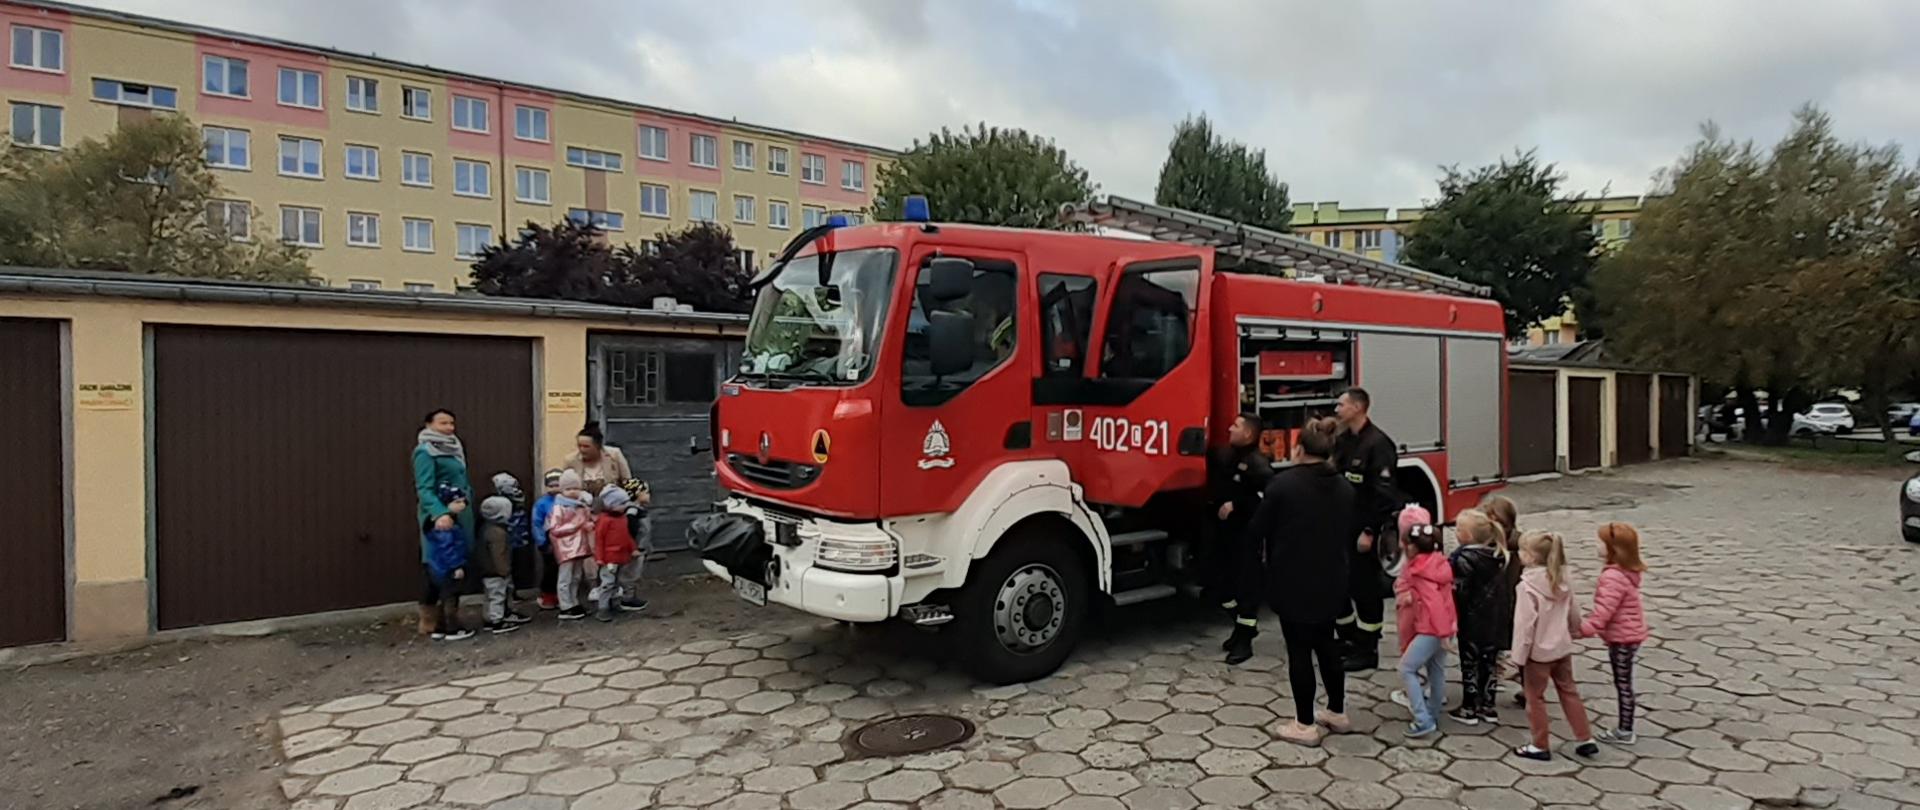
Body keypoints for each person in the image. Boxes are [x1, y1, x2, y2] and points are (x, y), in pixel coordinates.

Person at [1244, 417, 1355, 745]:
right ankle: (1337, 712)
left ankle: (1304, 724)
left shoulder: (1284, 486)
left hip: (1294, 578)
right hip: (1333, 577)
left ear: (1299, 449)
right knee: (1328, 644)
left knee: (1299, 650)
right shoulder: (1345, 487)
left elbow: (1256, 531)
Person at [1507, 530, 1599, 761]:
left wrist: (1518, 656)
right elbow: (1574, 611)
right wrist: (1575, 630)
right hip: (1562, 648)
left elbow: (1524, 625)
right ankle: (1585, 737)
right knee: (1569, 691)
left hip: (1538, 653)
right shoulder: (1562, 579)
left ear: (1529, 556)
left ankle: (1540, 744)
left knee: (1535, 697)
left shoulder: (1527, 586)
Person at [1332, 386, 1400, 672]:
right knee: (1342, 583)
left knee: (1365, 587)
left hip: (1363, 529)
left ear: (1358, 408)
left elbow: (1383, 495)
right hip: (1342, 525)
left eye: (1341, 404)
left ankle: (1368, 647)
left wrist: (1370, 532)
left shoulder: (1378, 444)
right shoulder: (1344, 440)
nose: (1336, 409)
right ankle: (1349, 639)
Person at [1578, 522, 1650, 746]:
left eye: (1601, 542)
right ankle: (1625, 727)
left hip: (1623, 636)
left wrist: (1581, 630)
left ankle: (1625, 730)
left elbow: (1603, 613)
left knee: (1623, 683)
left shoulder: (1612, 577)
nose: (1596, 545)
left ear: (1613, 548)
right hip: (1629, 633)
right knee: (1624, 681)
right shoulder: (1625, 572)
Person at [1212, 412, 1274, 664]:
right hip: (1229, 534)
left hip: (1248, 535)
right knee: (1223, 585)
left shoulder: (1258, 465)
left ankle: (1245, 640)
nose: (1229, 428)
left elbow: (1265, 501)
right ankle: (1240, 629)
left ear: (1248, 433)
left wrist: (1237, 506)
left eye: (1235, 426)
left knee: (1247, 588)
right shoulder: (1231, 457)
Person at [1394, 506, 1454, 738]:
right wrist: (1450, 629)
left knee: (1407, 668)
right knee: (1437, 671)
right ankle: (1434, 712)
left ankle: (1422, 718)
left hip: (1430, 629)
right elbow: (1446, 601)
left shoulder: (1419, 572)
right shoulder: (1439, 563)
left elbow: (1434, 604)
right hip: (1444, 627)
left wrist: (1441, 633)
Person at [413, 408, 473, 639]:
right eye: (443, 423)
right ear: (429, 425)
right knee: (439, 567)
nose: (449, 428)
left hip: (459, 513)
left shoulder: (453, 447)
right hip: (439, 518)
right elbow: (424, 489)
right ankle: (437, 622)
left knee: (454, 563)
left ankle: (443, 621)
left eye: (451, 423)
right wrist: (440, 513)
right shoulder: (425, 451)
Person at [1449, 509, 1508, 725]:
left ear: (1469, 536)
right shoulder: (1497, 555)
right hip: (1495, 619)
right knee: (1489, 662)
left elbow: (1461, 592)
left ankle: (1469, 706)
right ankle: (1488, 706)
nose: (1455, 532)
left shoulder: (1464, 558)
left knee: (1469, 662)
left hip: (1472, 620)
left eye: (1459, 529)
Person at [1483, 494, 1525, 706]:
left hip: (1502, 606)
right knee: (1521, 649)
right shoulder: (1522, 543)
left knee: (1491, 649)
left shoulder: (1493, 547)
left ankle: (1486, 694)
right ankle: (1528, 690)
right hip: (1515, 607)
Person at [422, 484, 472, 641]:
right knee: (450, 599)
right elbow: (448, 548)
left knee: (442, 599)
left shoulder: (439, 522)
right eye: (457, 502)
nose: (462, 505)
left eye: (463, 501)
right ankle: (452, 629)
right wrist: (456, 566)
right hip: (447, 568)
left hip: (437, 567)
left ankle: (439, 628)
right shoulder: (446, 524)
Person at [545, 470, 596, 620]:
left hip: (580, 546)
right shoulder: (558, 507)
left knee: (576, 576)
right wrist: (576, 525)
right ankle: (565, 605)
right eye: (568, 489)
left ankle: (574, 602)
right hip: (566, 548)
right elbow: (555, 529)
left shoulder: (581, 506)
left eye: (576, 488)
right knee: (565, 577)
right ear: (562, 490)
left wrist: (589, 524)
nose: (573, 492)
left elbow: (587, 521)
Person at [591, 484, 646, 622]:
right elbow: (599, 540)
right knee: (607, 583)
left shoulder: (622, 518)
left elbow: (626, 536)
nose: (625, 506)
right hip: (608, 559)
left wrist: (632, 548)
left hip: (621, 556)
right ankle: (602, 608)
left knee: (616, 582)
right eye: (622, 503)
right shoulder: (604, 521)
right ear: (611, 505)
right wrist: (599, 558)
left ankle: (614, 603)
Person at [477, 495, 529, 634]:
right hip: (496, 571)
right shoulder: (498, 533)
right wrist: (504, 570)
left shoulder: (486, 528)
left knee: (490, 595)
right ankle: (497, 621)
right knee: (497, 596)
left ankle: (488, 618)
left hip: (487, 570)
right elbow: (499, 554)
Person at [566, 424, 632, 501]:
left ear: (598, 446)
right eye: (579, 446)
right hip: (581, 506)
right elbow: (565, 487)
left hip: (613, 505)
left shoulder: (614, 455)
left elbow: (628, 481)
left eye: (586, 446)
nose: (582, 450)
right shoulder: (570, 460)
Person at [531, 469, 564, 610]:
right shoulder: (542, 503)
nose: (554, 489)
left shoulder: (567, 501)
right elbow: (536, 523)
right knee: (550, 570)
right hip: (549, 541)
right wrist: (542, 542)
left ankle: (563, 596)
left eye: (557, 485)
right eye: (551, 486)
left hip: (566, 540)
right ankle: (548, 595)